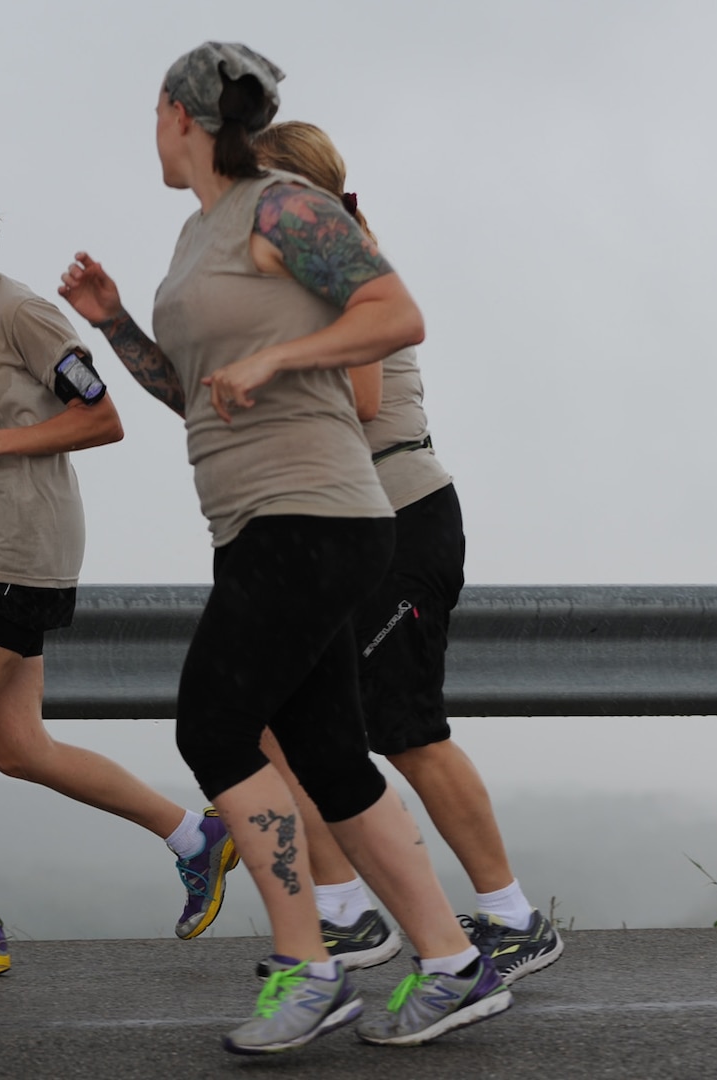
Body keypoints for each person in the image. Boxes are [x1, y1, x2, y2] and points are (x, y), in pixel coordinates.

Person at [59, 44, 510, 1052]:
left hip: (320, 512)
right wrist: (118, 322)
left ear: (181, 113)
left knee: (214, 730)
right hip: (252, 516)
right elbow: (192, 391)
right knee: (325, 753)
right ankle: (451, 961)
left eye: (154, 116)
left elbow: (397, 315)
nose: (153, 134)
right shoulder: (198, 232)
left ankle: (309, 969)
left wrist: (282, 354)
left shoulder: (283, 206)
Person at [0, 164, 238, 978]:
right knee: (21, 746)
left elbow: (103, 418)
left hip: (26, 548)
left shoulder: (21, 311)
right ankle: (195, 835)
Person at [249, 120, 563, 985]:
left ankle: (513, 917)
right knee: (279, 721)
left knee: (406, 728)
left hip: (404, 518)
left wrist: (262, 370)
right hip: (354, 527)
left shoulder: (337, 264)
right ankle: (347, 912)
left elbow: (359, 394)